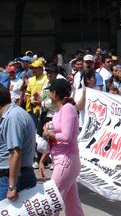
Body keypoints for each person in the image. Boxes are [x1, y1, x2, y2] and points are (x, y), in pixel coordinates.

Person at [40, 79, 84, 216]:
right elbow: (57, 135)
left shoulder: (67, 109)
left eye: (49, 93)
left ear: (54, 93)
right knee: (72, 204)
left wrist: (50, 134)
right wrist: (48, 131)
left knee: (52, 203)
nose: (49, 96)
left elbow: (66, 136)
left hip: (66, 160)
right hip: (62, 159)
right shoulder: (61, 110)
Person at [0, 85, 37, 201]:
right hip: (18, 175)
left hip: (13, 178)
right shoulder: (14, 114)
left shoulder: (12, 118)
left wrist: (11, 187)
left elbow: (15, 154)